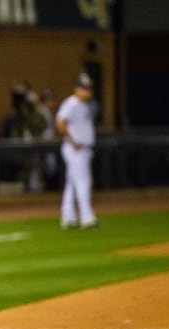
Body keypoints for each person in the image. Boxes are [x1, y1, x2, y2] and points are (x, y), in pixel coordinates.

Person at [56, 73, 99, 229]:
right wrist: (71, 140)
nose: (88, 91)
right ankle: (87, 217)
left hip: (82, 148)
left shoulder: (87, 105)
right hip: (75, 149)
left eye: (89, 88)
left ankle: (68, 216)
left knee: (72, 183)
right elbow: (60, 122)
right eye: (84, 88)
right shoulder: (71, 103)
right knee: (83, 182)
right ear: (77, 89)